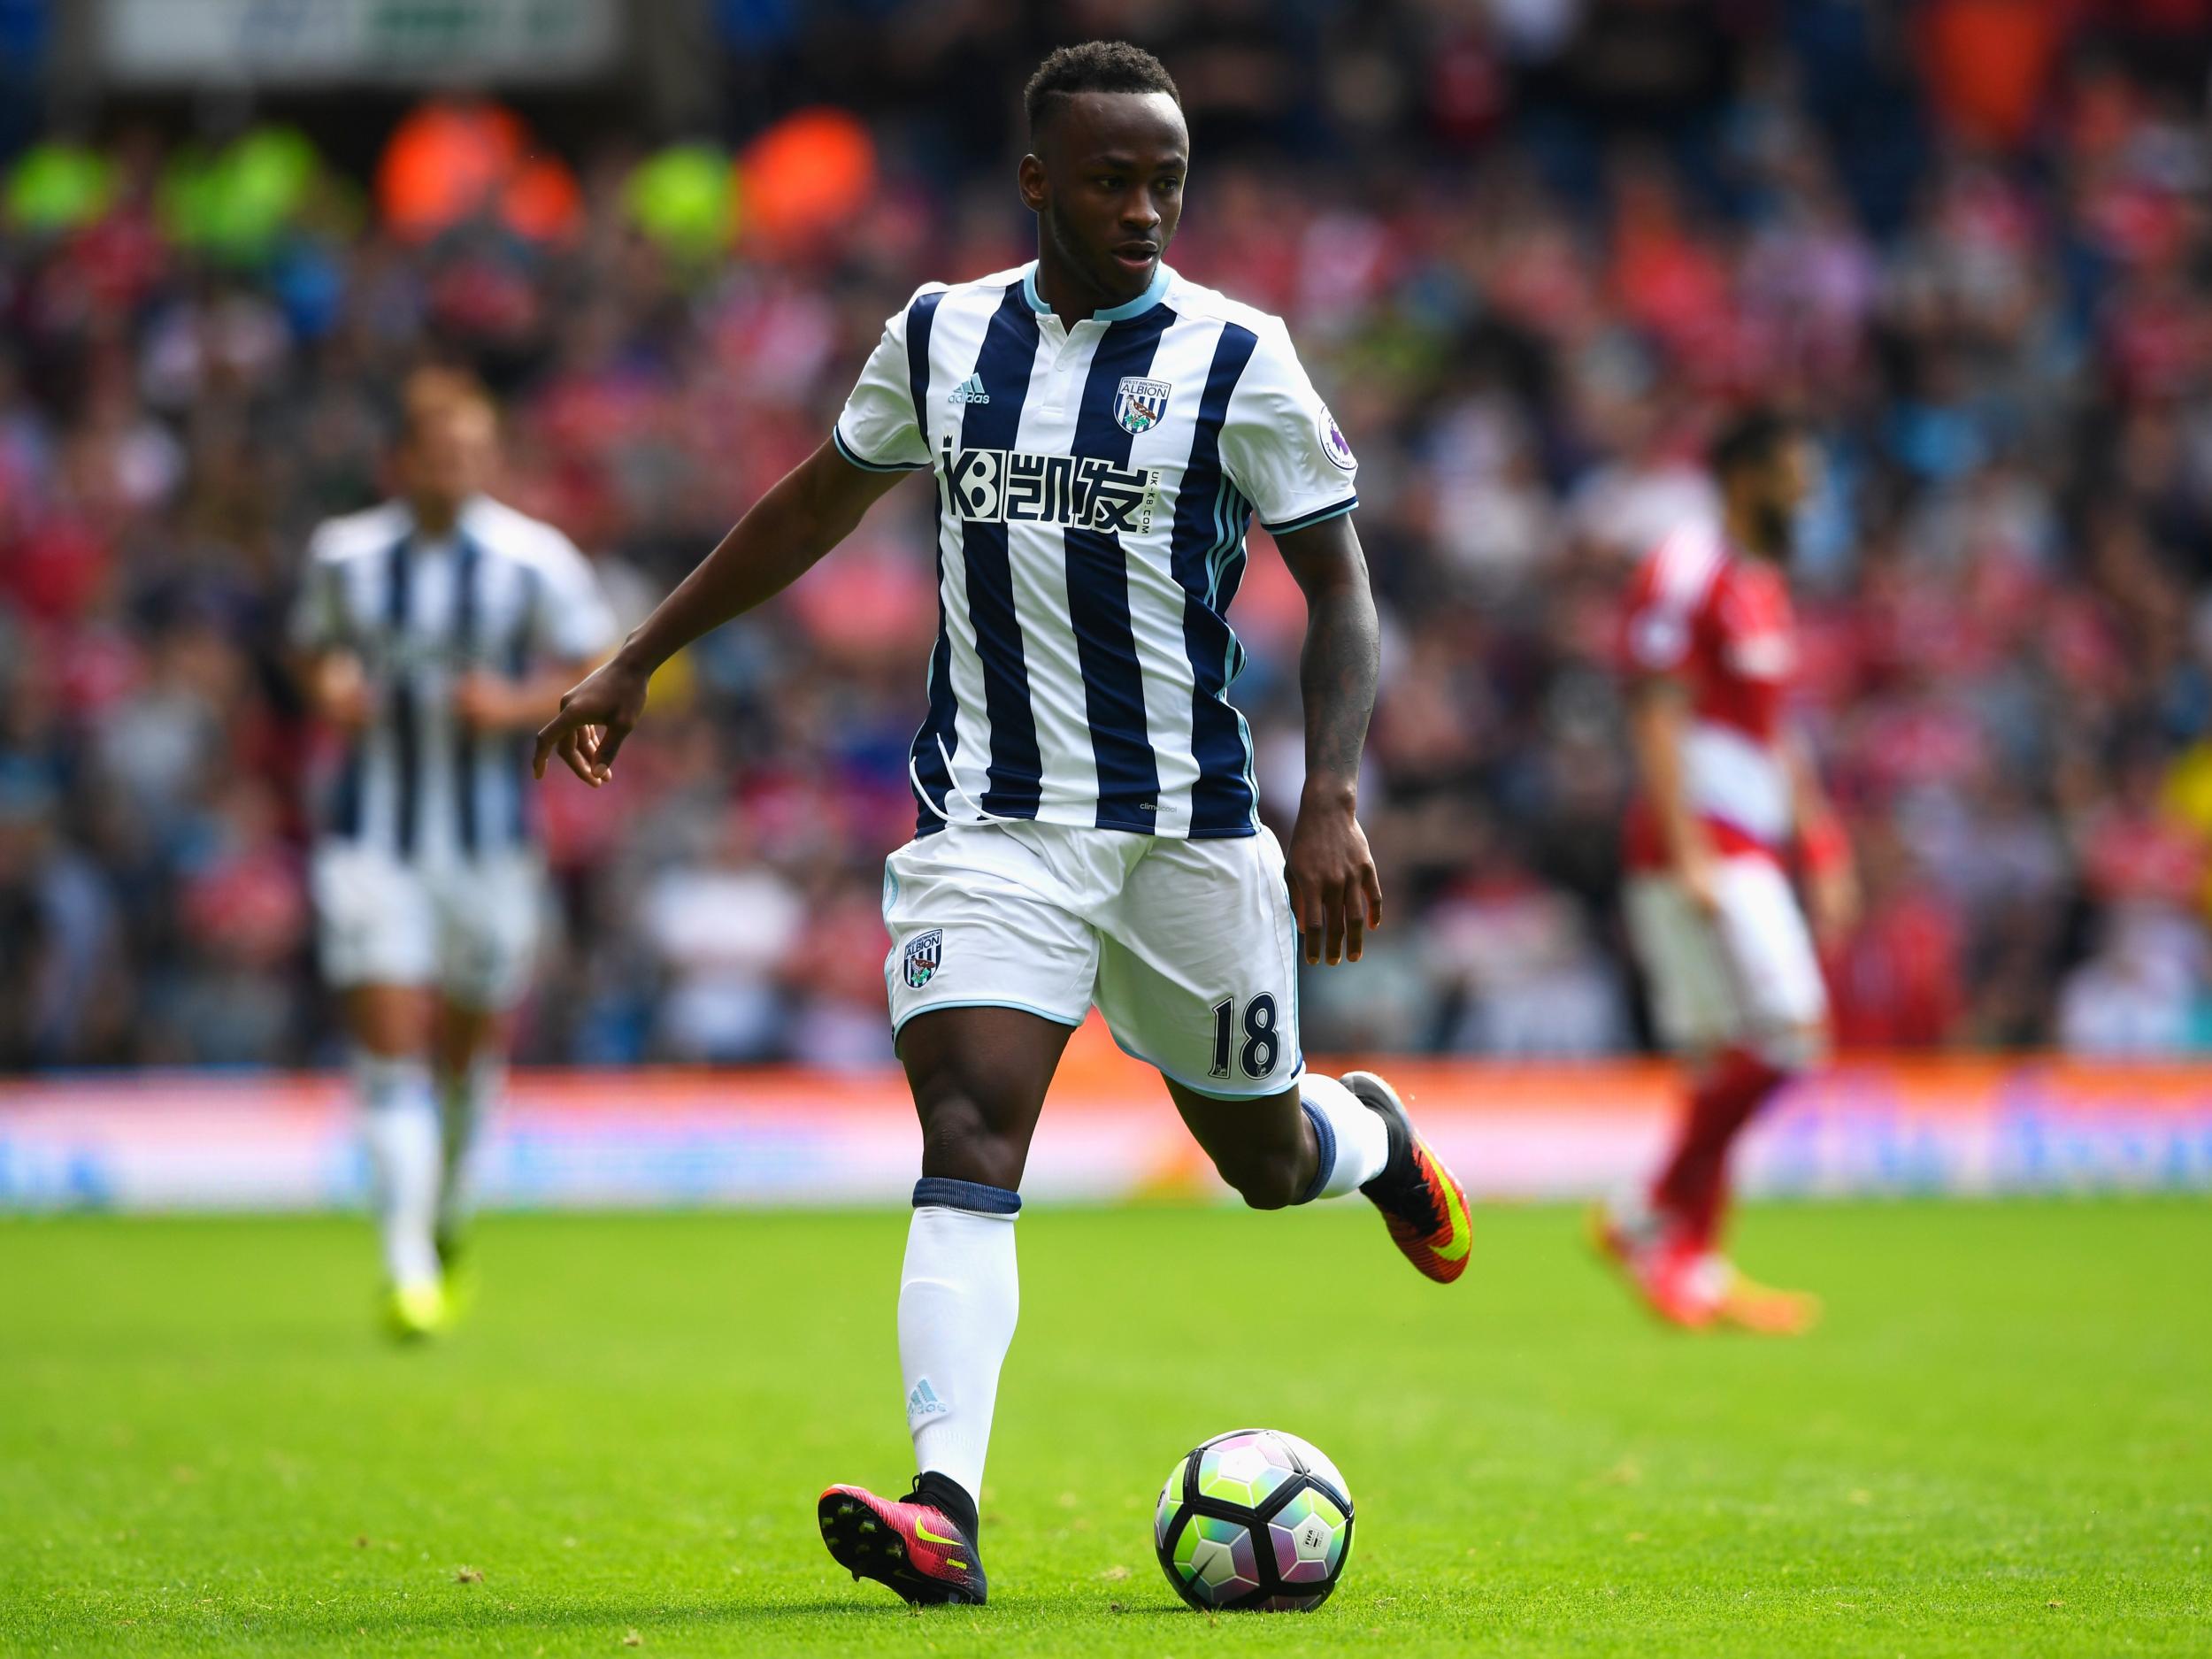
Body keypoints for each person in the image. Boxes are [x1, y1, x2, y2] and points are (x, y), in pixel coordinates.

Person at [533, 41, 1472, 1606]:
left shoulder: (1243, 358)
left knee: (1261, 1155)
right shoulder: (941, 333)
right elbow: (814, 505)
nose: (1146, 208)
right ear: (1037, 179)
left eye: (1168, 180)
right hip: (993, 824)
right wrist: (641, 654)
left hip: (1190, 833)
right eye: (1113, 178)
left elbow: (1346, 588)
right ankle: (944, 1513)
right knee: (970, 1130)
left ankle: (1365, 1132)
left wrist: (1336, 800)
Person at [293, 368, 614, 1339]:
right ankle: (404, 1271)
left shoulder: (533, 560)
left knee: (467, 1056)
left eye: (471, 454)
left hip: (489, 846)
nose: (455, 469)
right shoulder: (345, 556)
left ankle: (445, 1218)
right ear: (401, 463)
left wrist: (514, 708)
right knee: (389, 1048)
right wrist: (331, 687)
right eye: (438, 454)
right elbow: (312, 651)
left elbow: (595, 667)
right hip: (372, 838)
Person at [1595, 408, 1858, 1334]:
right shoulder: (1687, 565)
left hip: (1746, 839)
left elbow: (1773, 732)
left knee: (1724, 1062)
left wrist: (1818, 844)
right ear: (1746, 474)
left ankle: (1693, 1265)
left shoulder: (1760, 581)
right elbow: (1655, 713)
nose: (1810, 492)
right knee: (1788, 1031)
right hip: (1699, 841)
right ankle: (1645, 1214)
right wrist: (1689, 849)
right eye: (1796, 471)